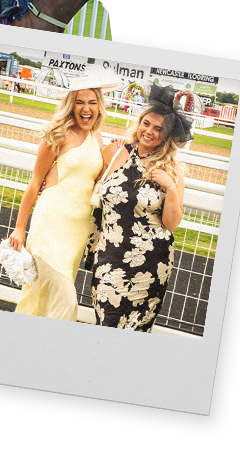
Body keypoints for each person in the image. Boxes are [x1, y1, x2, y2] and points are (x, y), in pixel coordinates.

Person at [87, 84, 193, 332]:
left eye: (158, 129)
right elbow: (86, 179)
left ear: (167, 135)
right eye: (146, 123)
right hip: (110, 257)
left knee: (136, 330)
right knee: (107, 322)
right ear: (139, 122)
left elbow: (172, 224)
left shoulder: (172, 168)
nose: (149, 131)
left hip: (151, 263)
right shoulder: (114, 151)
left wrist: (170, 187)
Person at [9, 78, 117, 321]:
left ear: (99, 106)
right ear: (71, 105)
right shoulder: (57, 135)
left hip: (76, 232)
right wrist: (19, 228)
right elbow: (35, 183)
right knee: (66, 302)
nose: (86, 108)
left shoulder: (97, 138)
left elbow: (96, 178)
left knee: (42, 296)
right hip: (50, 225)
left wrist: (116, 149)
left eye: (92, 102)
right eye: (79, 102)